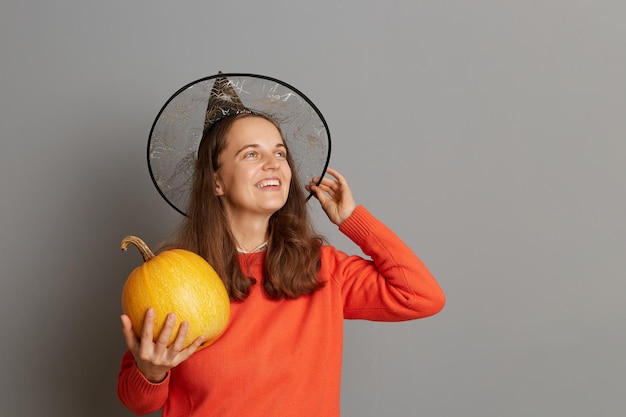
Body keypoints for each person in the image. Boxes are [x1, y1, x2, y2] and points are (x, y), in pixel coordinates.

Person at [117, 73, 445, 417]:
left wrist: (352, 218)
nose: (273, 163)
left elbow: (421, 296)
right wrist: (151, 372)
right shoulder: (174, 274)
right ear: (216, 181)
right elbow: (137, 400)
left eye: (279, 152)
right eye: (250, 155)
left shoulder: (321, 268)